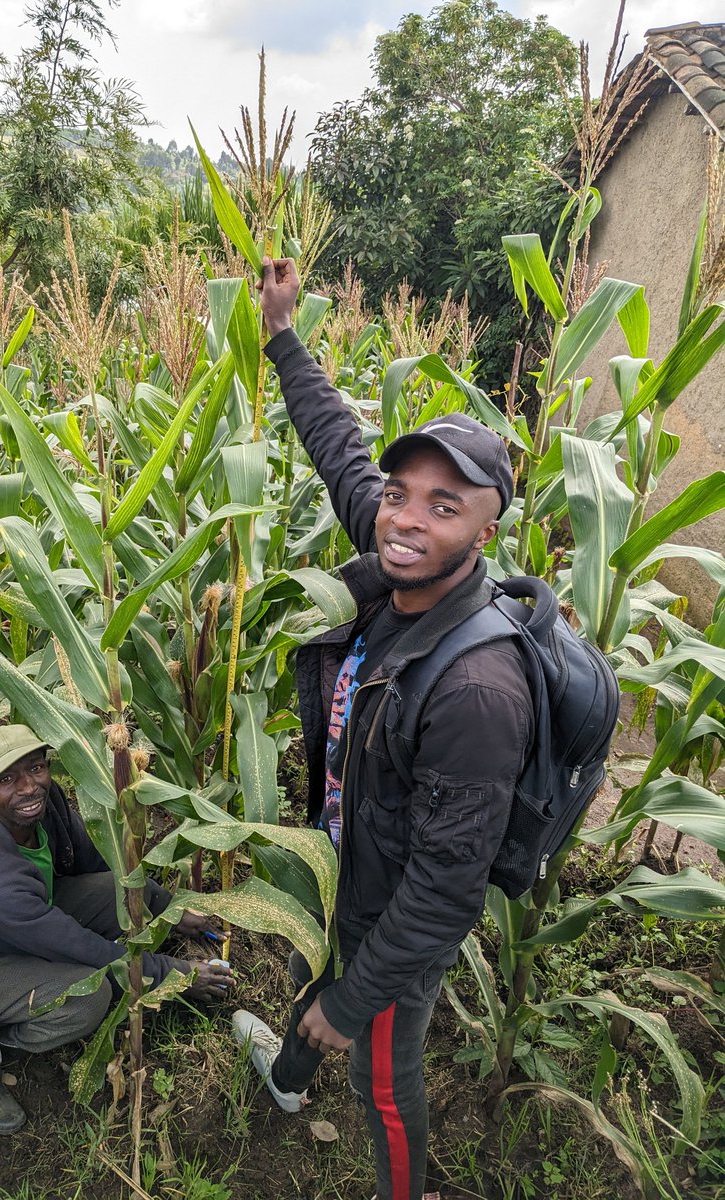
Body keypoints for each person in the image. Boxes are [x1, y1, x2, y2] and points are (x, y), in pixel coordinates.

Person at [232, 259, 534, 1200]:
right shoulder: (400, 557)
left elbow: (445, 893)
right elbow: (339, 450)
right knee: (302, 965)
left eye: (444, 506)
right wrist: (284, 336)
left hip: (394, 914)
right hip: (340, 858)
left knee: (383, 1081)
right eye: (402, 495)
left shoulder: (479, 690)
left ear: (483, 532)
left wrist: (355, 998)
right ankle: (288, 1076)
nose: (404, 518)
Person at [0, 724, 233, 1134]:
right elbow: (79, 947)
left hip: (16, 929)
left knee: (113, 892)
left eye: (35, 768)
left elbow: (97, 861)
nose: (28, 787)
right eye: (6, 780)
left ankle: (9, 1005)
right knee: (90, 997)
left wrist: (170, 910)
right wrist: (176, 977)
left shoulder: (42, 803)